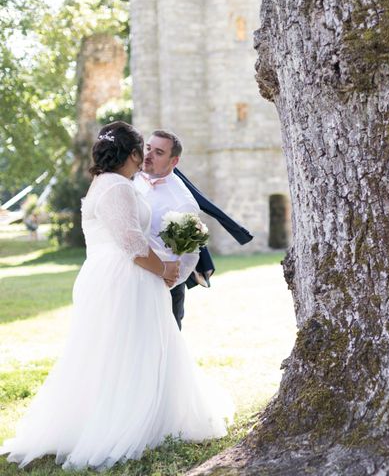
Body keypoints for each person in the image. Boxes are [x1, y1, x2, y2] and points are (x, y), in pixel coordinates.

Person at [0, 121, 231, 471]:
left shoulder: (109, 183)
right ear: (132, 154)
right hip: (122, 278)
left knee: (131, 348)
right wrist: (164, 270)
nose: (145, 159)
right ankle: (124, 423)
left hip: (116, 275)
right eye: (142, 152)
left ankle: (149, 414)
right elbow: (133, 245)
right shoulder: (116, 188)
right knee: (125, 349)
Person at [133, 130, 200, 330]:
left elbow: (189, 256)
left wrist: (166, 282)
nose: (148, 155)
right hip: (130, 280)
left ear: (174, 161)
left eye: (159, 152)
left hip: (162, 290)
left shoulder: (183, 203)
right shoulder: (132, 178)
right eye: (148, 148)